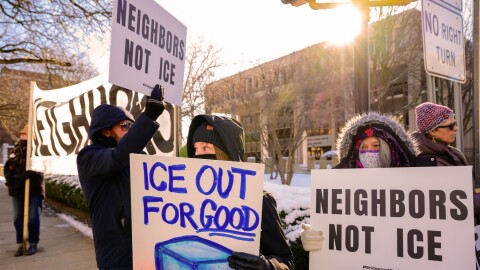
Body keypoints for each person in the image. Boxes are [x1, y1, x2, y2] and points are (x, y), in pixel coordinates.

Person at [300, 112, 436, 252]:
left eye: (376, 145)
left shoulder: (418, 186)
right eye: (363, 147)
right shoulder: (343, 190)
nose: (369, 152)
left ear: (391, 147)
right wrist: (317, 237)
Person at [186, 114, 295, 270]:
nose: (197, 155)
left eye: (206, 147)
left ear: (226, 154)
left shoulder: (259, 200)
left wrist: (268, 266)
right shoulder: (186, 199)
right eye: (195, 148)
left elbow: (287, 262)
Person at [77, 85, 165, 269]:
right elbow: (117, 157)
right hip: (117, 256)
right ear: (106, 131)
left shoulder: (136, 157)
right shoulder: (88, 157)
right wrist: (148, 116)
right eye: (126, 126)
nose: (130, 130)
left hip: (144, 250)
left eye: (132, 127)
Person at [4, 125, 44, 256]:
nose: (23, 137)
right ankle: (21, 244)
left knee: (32, 218)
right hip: (17, 190)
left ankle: (33, 243)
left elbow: (33, 171)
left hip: (33, 190)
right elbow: (8, 166)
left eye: (25, 135)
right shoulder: (15, 150)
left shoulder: (36, 151)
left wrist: (17, 177)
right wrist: (10, 178)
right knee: (18, 218)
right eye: (21, 135)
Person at [412, 102, 468, 166]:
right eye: (450, 126)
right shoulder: (426, 162)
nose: (456, 128)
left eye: (455, 124)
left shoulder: (452, 152)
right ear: (432, 131)